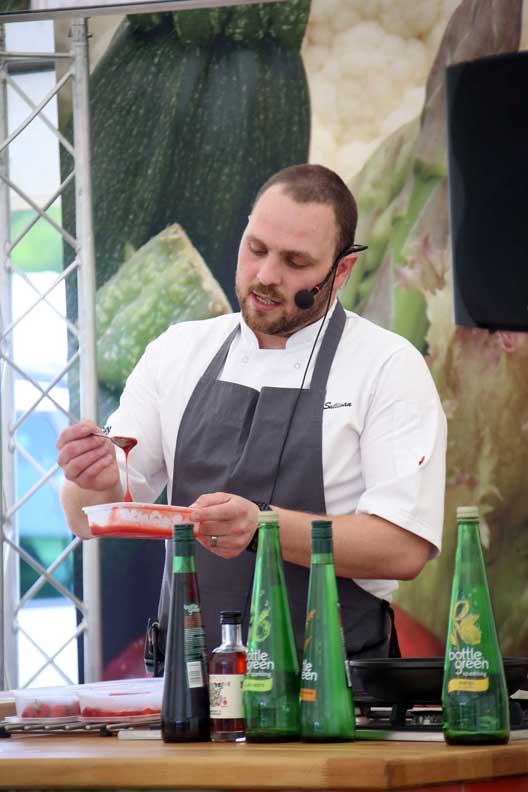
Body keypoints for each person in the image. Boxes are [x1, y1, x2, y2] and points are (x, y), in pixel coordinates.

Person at [57, 163, 447, 660]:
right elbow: (89, 518)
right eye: (256, 248)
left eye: (295, 261)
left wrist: (264, 527)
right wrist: (88, 476)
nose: (265, 275)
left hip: (334, 694)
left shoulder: (387, 367)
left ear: (341, 270)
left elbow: (404, 547)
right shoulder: (178, 351)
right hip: (192, 687)